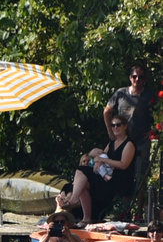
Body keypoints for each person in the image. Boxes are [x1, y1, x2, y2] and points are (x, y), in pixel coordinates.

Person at [60, 118, 136, 226]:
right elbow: (100, 157)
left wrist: (104, 160)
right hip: (106, 177)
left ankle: (74, 200)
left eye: (118, 125)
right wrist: (97, 163)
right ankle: (86, 217)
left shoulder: (129, 144)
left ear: (125, 126)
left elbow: (123, 165)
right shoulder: (111, 143)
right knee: (82, 181)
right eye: (112, 125)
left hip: (119, 180)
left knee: (83, 175)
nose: (115, 127)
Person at [105, 65, 154, 209]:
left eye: (141, 77)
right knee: (122, 174)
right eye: (134, 76)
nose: (137, 79)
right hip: (123, 141)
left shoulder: (149, 95)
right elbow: (107, 111)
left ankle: (138, 210)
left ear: (145, 79)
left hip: (141, 141)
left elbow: (159, 114)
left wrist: (154, 131)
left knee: (140, 176)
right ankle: (123, 209)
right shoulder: (121, 93)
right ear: (130, 77)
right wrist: (110, 131)